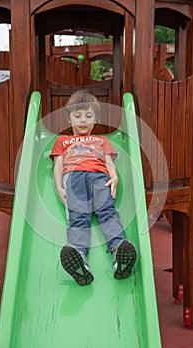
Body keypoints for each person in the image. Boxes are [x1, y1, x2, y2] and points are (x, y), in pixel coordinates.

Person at [49, 90, 137, 286]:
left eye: (88, 116)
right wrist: (58, 186)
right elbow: (58, 165)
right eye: (77, 115)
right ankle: (79, 256)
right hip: (73, 178)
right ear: (68, 117)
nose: (83, 120)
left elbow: (108, 162)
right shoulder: (62, 141)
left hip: (100, 177)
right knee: (79, 215)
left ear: (95, 118)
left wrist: (114, 178)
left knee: (107, 211)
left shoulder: (102, 141)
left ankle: (118, 251)